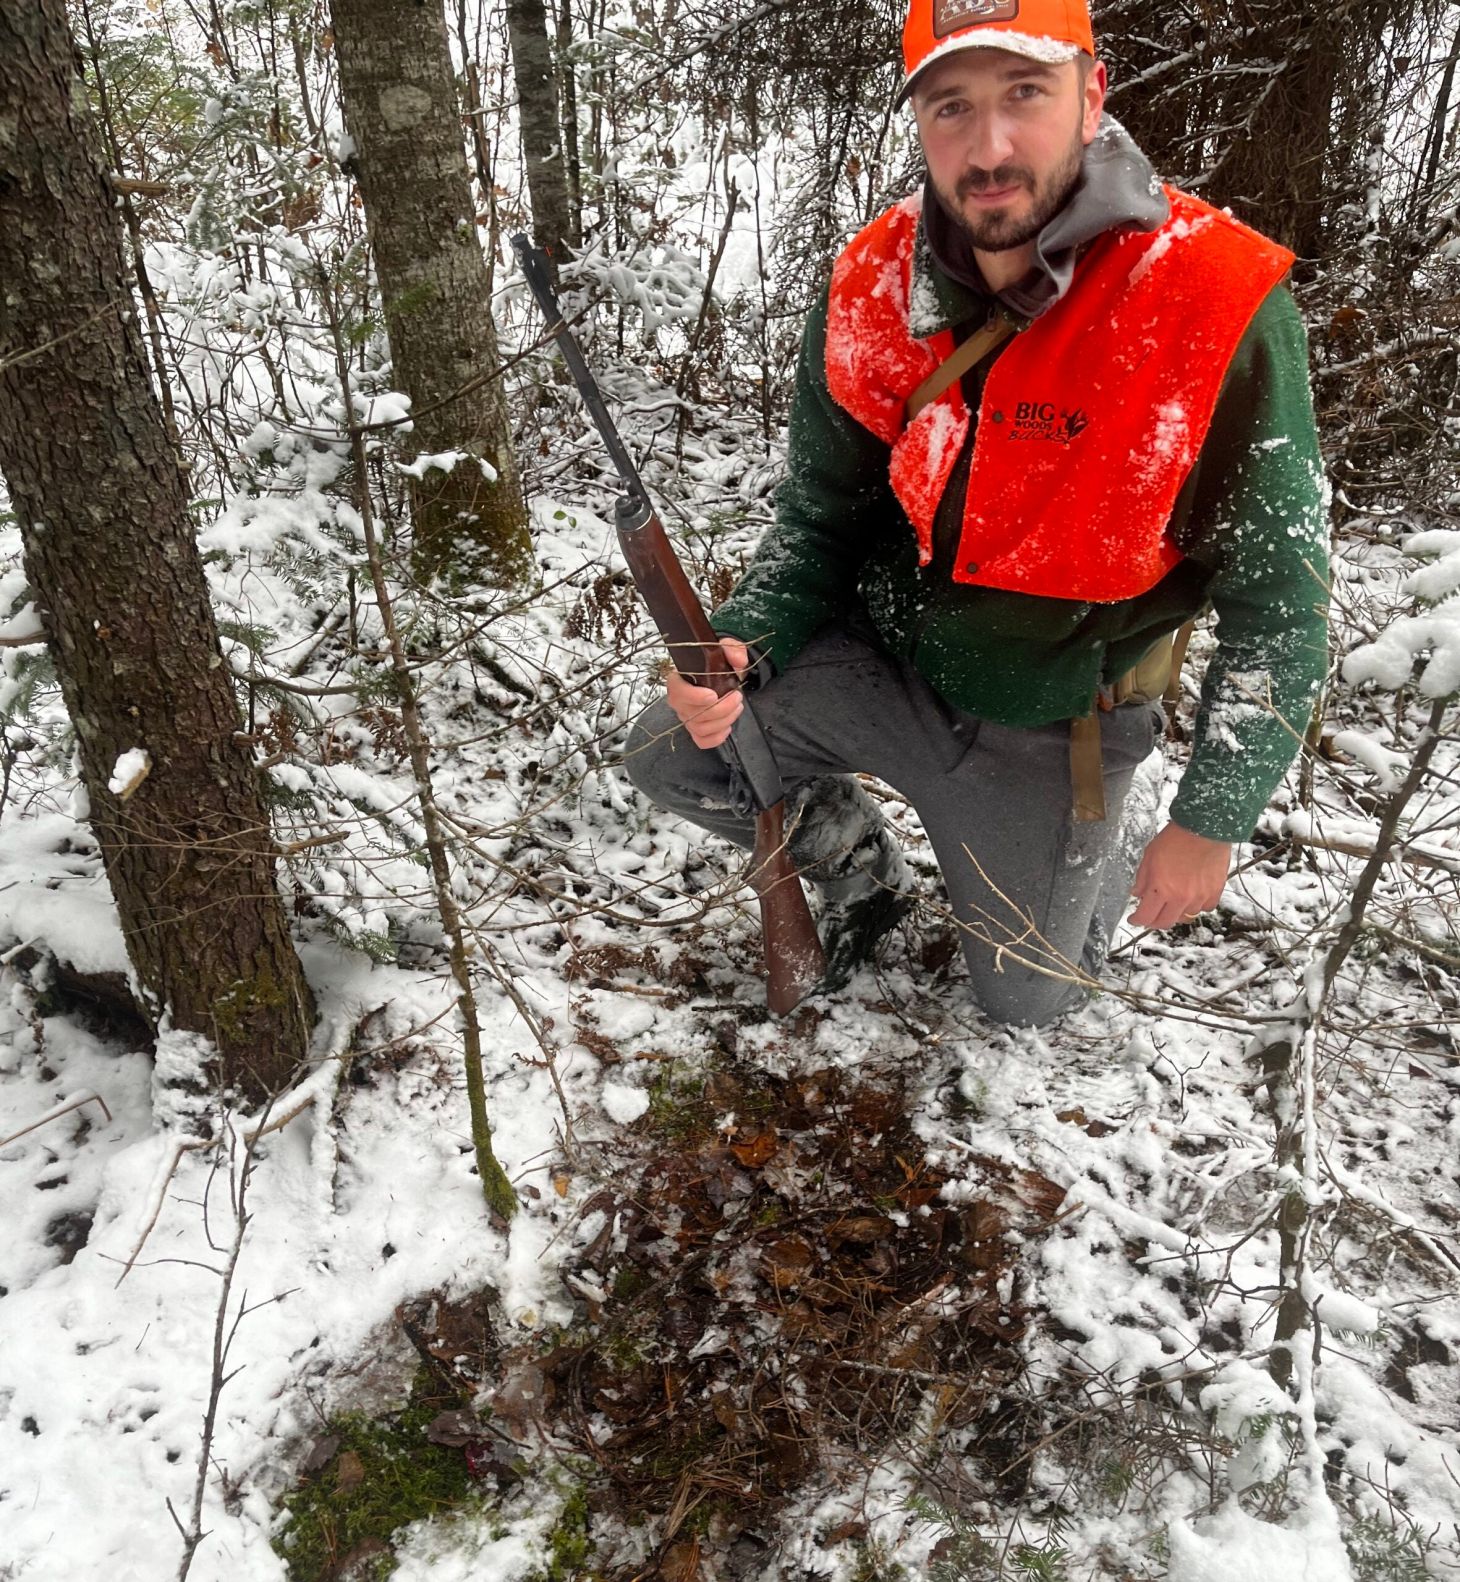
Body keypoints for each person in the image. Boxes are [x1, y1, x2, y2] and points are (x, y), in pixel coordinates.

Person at [625, 0, 1329, 1026]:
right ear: (918, 123)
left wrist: (1208, 821)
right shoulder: (870, 280)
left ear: (1093, 97)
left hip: (1053, 719)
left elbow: (1281, 603)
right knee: (670, 750)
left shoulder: (1210, 300)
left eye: (1023, 95)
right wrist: (746, 642)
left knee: (1030, 1007)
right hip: (885, 660)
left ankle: (1078, 856)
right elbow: (820, 515)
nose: (987, 146)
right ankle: (858, 865)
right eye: (950, 105)